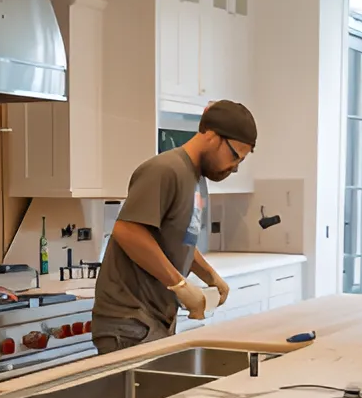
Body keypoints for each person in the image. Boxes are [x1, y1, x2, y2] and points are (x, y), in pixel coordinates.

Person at [91, 100, 256, 356]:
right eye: (235, 155)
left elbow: (179, 240)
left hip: (153, 318)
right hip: (129, 321)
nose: (235, 167)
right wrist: (180, 285)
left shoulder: (196, 179)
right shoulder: (165, 170)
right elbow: (127, 231)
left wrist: (209, 276)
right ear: (212, 136)